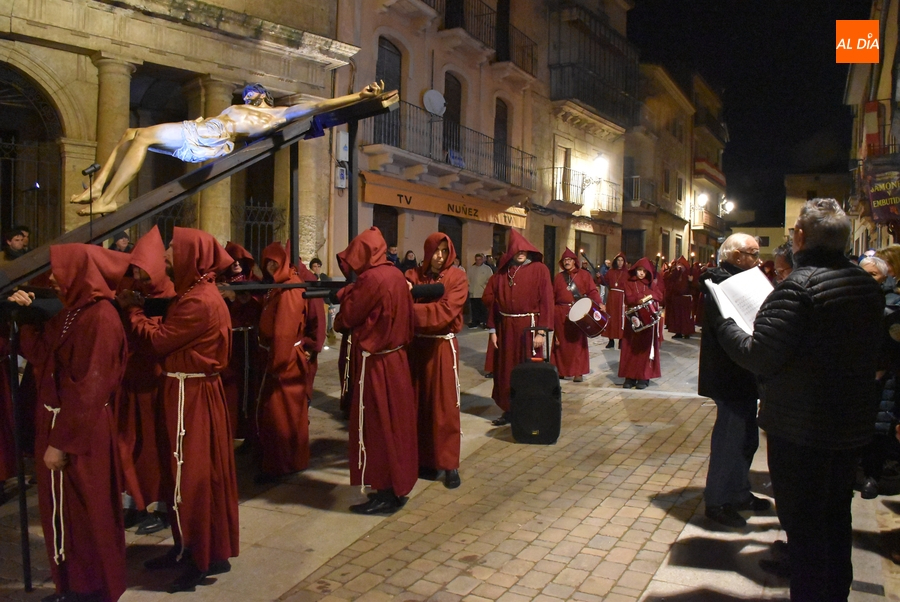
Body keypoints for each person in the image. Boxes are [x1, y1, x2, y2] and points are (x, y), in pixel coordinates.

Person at [715, 198, 883, 601]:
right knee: (836, 518)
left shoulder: (798, 287)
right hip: (850, 423)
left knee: (804, 526)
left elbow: (759, 355)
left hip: (801, 427)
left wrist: (726, 325)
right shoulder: (865, 285)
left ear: (802, 237)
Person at [119, 227, 239, 593]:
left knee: (192, 475)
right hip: (189, 390)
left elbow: (159, 341)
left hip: (191, 395)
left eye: (173, 248)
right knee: (185, 473)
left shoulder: (198, 301)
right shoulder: (194, 294)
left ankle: (198, 558)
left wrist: (132, 310)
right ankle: (193, 547)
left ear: (192, 255)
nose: (166, 254)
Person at [10, 244, 131, 602]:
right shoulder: (73, 311)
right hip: (61, 423)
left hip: (80, 430)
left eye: (60, 272)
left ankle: (93, 589)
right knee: (64, 511)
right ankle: (74, 584)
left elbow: (89, 389)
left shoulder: (100, 317)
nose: (53, 280)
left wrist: (59, 443)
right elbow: (41, 355)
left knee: (87, 511)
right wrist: (25, 317)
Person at [70, 82, 385, 215]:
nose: (247, 95)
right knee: (131, 133)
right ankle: (98, 188)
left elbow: (319, 105)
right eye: (246, 93)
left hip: (209, 138)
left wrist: (359, 96)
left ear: (263, 96)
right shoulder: (240, 107)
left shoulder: (277, 115)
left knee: (141, 138)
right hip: (203, 129)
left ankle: (109, 200)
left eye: (252, 92)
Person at [334, 227, 417, 515]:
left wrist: (345, 297)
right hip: (397, 359)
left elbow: (348, 316)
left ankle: (384, 491)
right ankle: (397, 485)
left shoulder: (371, 278)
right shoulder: (396, 274)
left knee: (378, 426)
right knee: (396, 425)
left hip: (378, 363)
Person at [699, 233, 770, 529]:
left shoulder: (743, 279)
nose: (758, 259)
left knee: (747, 438)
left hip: (745, 371)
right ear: (736, 255)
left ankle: (739, 492)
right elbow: (728, 328)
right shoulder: (719, 283)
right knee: (729, 439)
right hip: (728, 373)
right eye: (752, 253)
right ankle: (717, 501)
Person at [116, 226, 174, 536]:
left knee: (158, 447)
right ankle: (134, 500)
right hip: (131, 379)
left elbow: (157, 340)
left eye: (143, 270)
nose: (138, 277)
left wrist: (134, 311)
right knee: (129, 443)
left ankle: (163, 505)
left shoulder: (171, 296)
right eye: (135, 270)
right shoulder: (132, 291)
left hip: (157, 383)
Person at [405, 233, 468, 489]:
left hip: (442, 347)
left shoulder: (457, 277)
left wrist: (410, 309)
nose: (439, 256)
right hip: (416, 347)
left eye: (444, 251)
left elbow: (445, 311)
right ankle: (423, 460)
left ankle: (449, 463)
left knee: (444, 407)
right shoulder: (413, 275)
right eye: (435, 250)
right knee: (417, 404)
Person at [254, 242, 311, 483]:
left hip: (285, 360)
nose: (270, 266)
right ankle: (280, 460)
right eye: (267, 262)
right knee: (280, 414)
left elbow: (284, 331)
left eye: (274, 262)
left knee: (282, 415)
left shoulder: (290, 288)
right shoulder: (279, 285)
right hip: (279, 356)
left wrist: (276, 363)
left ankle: (283, 464)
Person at [484, 230, 553, 426]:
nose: (520, 253)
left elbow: (547, 301)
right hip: (505, 328)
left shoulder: (540, 270)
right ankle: (509, 409)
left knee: (528, 370)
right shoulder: (502, 273)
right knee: (506, 370)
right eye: (517, 250)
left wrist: (541, 331)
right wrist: (492, 329)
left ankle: (529, 411)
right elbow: (494, 303)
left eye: (523, 250)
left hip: (529, 328)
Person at [551, 248, 603, 382]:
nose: (567, 262)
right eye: (564, 260)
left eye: (569, 260)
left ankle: (578, 372)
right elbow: (552, 296)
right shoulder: (558, 277)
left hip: (578, 312)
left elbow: (592, 291)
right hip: (560, 312)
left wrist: (599, 303)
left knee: (578, 343)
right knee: (561, 343)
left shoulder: (584, 275)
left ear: (574, 261)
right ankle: (561, 370)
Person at [618, 257, 663, 389]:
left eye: (644, 270)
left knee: (644, 350)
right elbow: (629, 299)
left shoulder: (651, 284)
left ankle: (643, 376)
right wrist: (644, 296)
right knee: (630, 348)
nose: (641, 273)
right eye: (639, 270)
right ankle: (630, 376)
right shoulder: (629, 283)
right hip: (633, 320)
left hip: (647, 321)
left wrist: (648, 295)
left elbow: (659, 296)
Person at [600, 253, 628, 349]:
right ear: (616, 261)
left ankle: (621, 340)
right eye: (618, 260)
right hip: (612, 297)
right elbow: (604, 281)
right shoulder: (611, 272)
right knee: (611, 317)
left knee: (621, 318)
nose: (620, 262)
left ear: (624, 262)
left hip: (622, 298)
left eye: (622, 260)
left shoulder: (627, 273)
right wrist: (599, 277)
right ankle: (611, 340)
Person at [665, 256, 695, 339]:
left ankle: (686, 332)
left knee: (685, 316)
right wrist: (675, 271)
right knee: (677, 316)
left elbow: (694, 286)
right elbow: (669, 278)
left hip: (685, 298)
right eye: (678, 264)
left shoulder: (689, 273)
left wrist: (691, 281)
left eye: (681, 264)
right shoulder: (676, 273)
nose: (679, 266)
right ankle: (678, 332)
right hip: (677, 297)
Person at [467, 253, 493, 328]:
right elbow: (467, 279)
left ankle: (484, 322)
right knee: (474, 308)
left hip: (482, 292)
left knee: (483, 309)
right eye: (477, 259)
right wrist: (469, 287)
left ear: (482, 260)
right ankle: (475, 322)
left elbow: (490, 279)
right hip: (473, 291)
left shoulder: (487, 269)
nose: (478, 261)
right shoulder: (471, 269)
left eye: (480, 259)